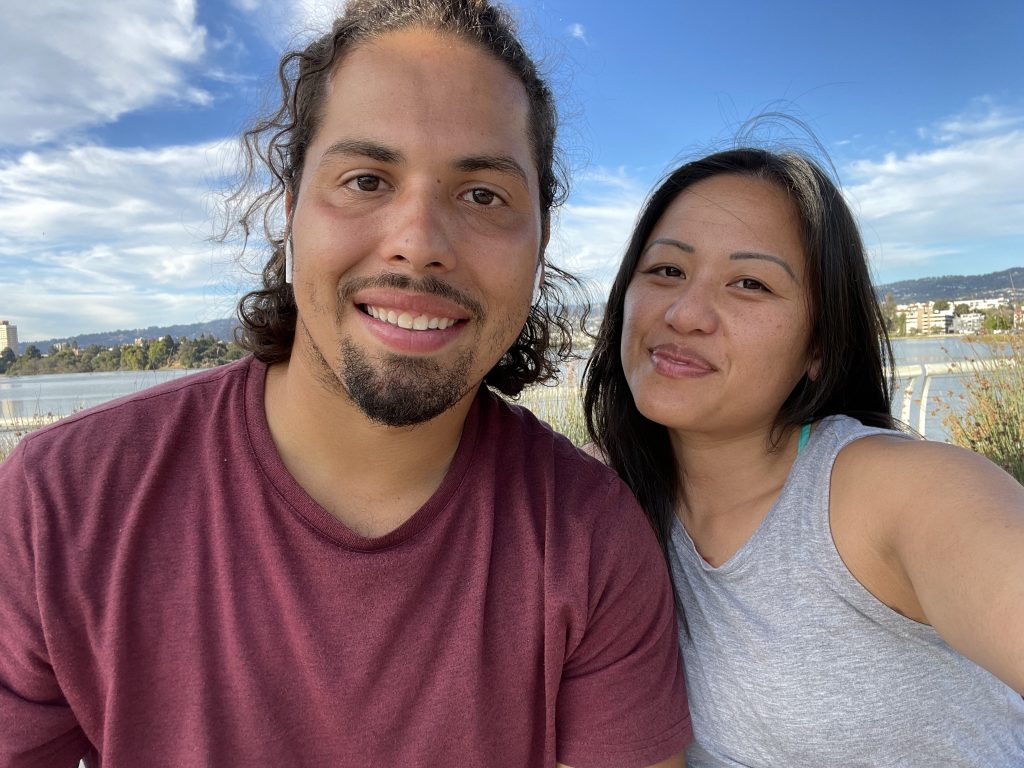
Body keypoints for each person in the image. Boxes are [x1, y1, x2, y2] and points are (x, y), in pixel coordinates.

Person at [0, 1, 692, 765]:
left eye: (483, 195)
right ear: (291, 211)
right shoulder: (61, 504)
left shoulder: (591, 542)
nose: (419, 244)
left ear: (541, 246)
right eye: (367, 179)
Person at [584, 147, 1024, 767]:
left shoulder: (896, 493)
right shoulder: (600, 498)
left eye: (750, 284)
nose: (684, 314)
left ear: (818, 345)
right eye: (665, 271)